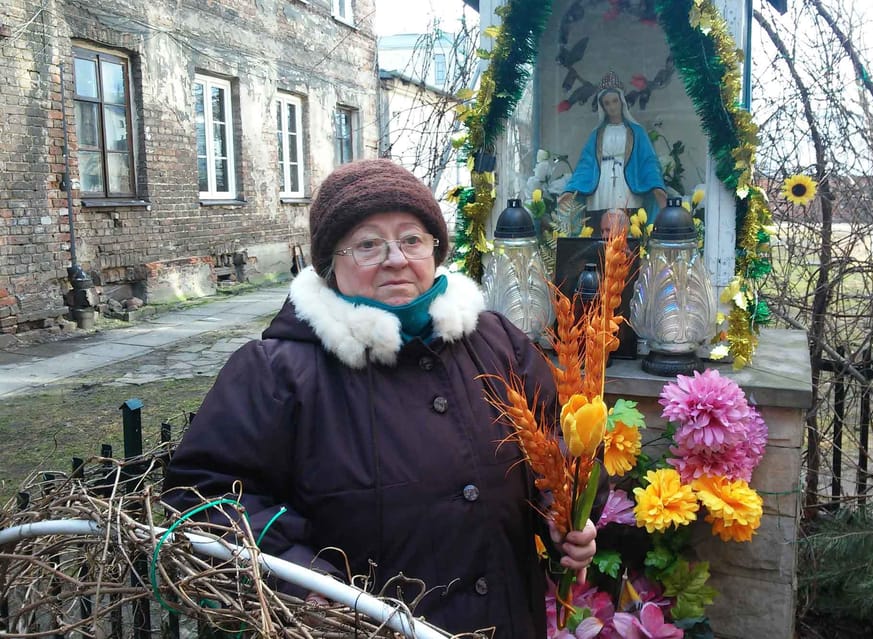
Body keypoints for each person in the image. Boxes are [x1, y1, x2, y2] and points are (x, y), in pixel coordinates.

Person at [162, 159, 598, 638]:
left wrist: (561, 513)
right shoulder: (278, 372)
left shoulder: (496, 343)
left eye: (412, 239)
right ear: (330, 264)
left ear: (435, 250)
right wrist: (300, 576)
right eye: (368, 244)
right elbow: (204, 492)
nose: (395, 258)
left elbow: (555, 445)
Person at [559, 73, 667, 220]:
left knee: (628, 223)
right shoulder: (597, 134)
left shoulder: (636, 132)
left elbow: (647, 161)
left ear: (621, 101)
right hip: (602, 184)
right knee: (601, 223)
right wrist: (571, 190)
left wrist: (656, 186)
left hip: (627, 183)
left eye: (615, 101)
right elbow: (586, 164)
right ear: (602, 106)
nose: (612, 106)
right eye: (607, 103)